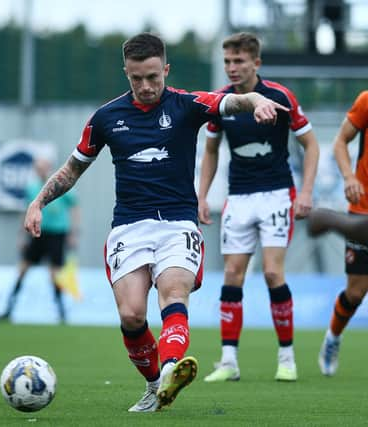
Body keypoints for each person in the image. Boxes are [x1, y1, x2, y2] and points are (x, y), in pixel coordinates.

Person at [23, 32, 288, 412]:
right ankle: (154, 385)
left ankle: (169, 370)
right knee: (132, 315)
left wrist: (258, 99)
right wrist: (38, 202)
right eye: (136, 79)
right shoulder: (106, 118)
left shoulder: (187, 105)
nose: (146, 86)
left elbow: (233, 100)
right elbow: (72, 169)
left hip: (178, 223)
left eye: (152, 77)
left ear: (165, 69)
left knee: (173, 293)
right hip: (129, 226)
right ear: (126, 74)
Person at [197, 32, 319, 383]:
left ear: (256, 63)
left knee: (271, 273)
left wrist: (307, 192)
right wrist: (203, 196)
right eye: (227, 62)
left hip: (278, 194)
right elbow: (210, 151)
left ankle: (287, 358)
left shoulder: (280, 96)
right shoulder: (220, 102)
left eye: (239, 61)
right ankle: (228, 361)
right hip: (239, 197)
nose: (232, 68)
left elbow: (311, 145)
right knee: (233, 274)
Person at [313, 90, 368, 376]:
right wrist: (349, 177)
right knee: (356, 293)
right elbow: (340, 142)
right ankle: (333, 338)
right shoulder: (366, 100)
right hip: (363, 212)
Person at [0, 156, 79, 323]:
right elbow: (27, 212)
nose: (40, 170)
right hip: (37, 233)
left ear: (48, 167)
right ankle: (9, 309)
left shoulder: (59, 185)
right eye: (37, 167)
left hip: (57, 233)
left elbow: (74, 207)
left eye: (42, 166)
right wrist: (22, 236)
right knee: (23, 269)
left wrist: (73, 232)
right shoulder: (32, 188)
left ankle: (61, 313)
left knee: (54, 274)